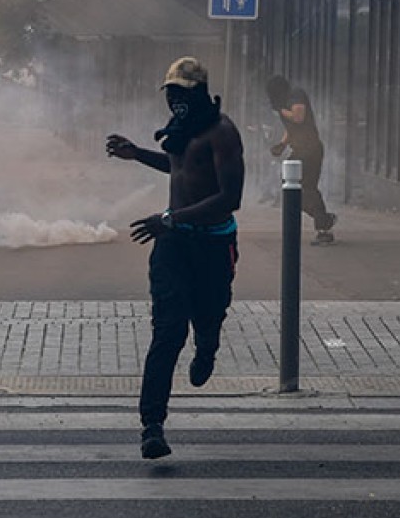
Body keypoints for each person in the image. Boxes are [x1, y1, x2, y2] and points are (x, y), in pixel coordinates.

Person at [106, 57, 244, 460]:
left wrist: (170, 217)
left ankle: (208, 345)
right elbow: (180, 168)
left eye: (183, 93)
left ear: (199, 93)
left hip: (213, 246)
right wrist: (137, 154)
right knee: (167, 331)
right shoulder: (180, 133)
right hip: (173, 245)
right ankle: (152, 425)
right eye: (171, 94)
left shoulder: (223, 133)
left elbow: (229, 197)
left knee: (207, 315)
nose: (176, 101)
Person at [266, 75, 337, 244]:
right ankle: (323, 219)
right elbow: (292, 128)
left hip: (309, 149)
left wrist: (280, 110)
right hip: (301, 149)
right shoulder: (285, 101)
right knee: (294, 188)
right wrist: (282, 145)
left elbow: (298, 117)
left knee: (306, 188)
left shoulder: (295, 95)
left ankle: (323, 223)